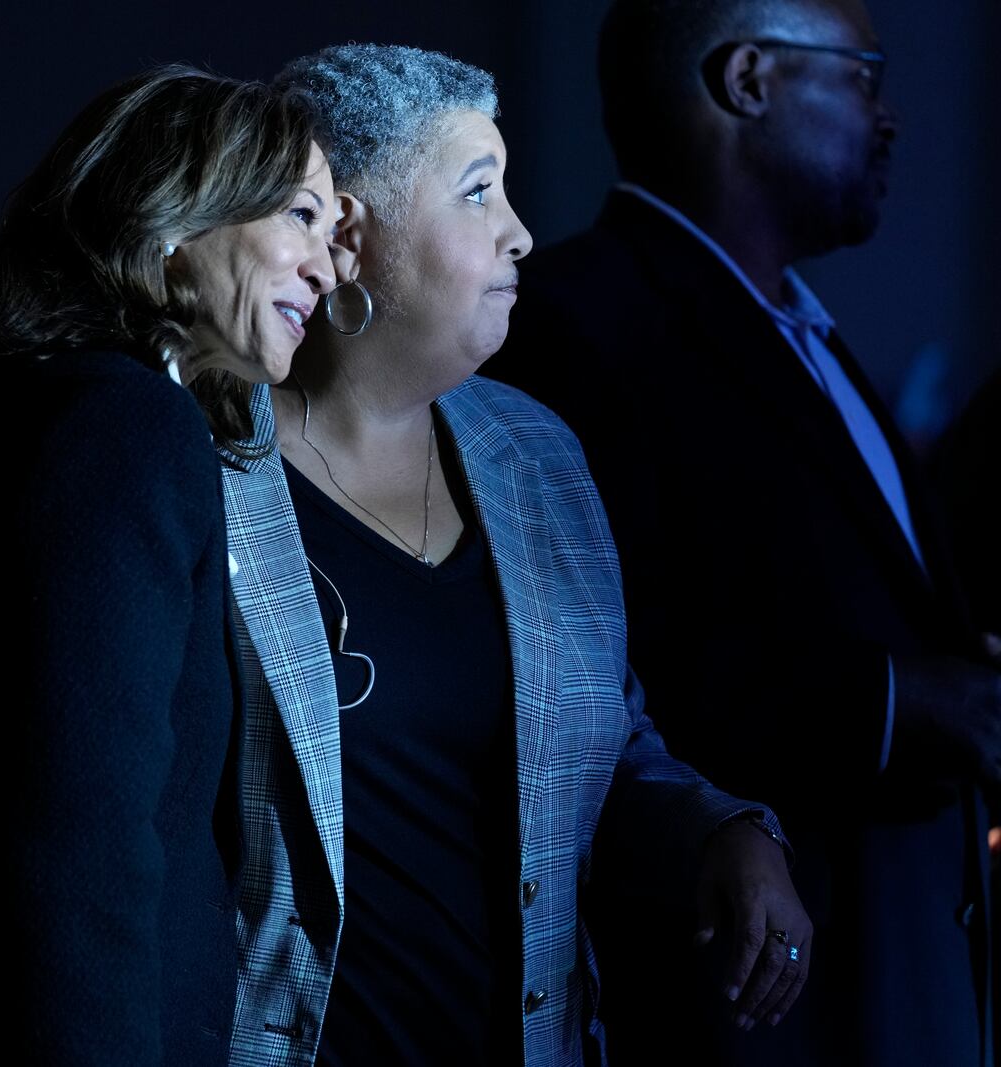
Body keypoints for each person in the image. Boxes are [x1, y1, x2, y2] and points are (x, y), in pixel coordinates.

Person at [209, 44, 809, 1065]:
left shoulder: (533, 453)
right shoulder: (201, 463)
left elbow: (599, 739)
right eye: (478, 193)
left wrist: (723, 828)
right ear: (348, 235)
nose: (522, 233)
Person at [0, 68, 336, 1065]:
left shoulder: (2, 391)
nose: (326, 269)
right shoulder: (123, 424)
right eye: (301, 214)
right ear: (176, 218)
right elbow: (81, 842)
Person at [486, 2, 998, 1063]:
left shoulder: (802, 330)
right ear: (750, 79)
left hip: (898, 982)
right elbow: (591, 676)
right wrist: (904, 700)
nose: (890, 115)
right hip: (757, 1012)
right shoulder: (576, 323)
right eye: (862, 76)